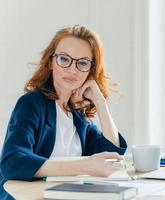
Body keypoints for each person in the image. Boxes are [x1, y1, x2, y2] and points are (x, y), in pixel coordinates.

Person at [0, 25, 127, 198]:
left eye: (82, 63)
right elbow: (12, 162)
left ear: (90, 70)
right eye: (64, 59)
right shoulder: (31, 104)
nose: (72, 69)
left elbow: (112, 155)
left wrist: (100, 101)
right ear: (51, 62)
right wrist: (84, 165)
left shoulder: (78, 117)